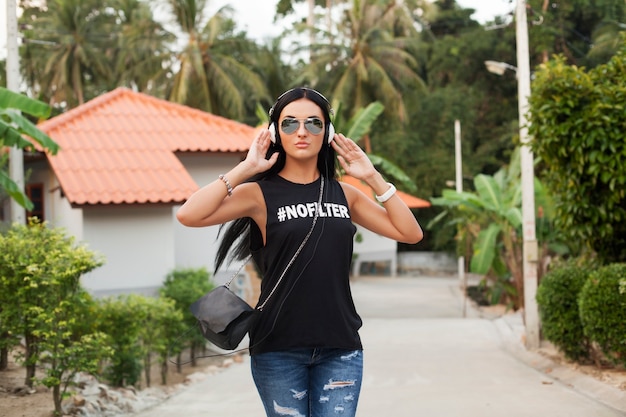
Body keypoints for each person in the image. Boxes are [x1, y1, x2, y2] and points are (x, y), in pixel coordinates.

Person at [176, 87, 423, 417]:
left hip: (340, 346)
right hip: (278, 348)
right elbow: (188, 214)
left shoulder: (345, 195)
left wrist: (372, 177)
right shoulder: (258, 194)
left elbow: (411, 232)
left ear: (328, 132)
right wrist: (246, 168)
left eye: (314, 124)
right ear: (275, 132)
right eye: (289, 124)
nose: (302, 132)